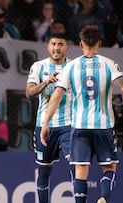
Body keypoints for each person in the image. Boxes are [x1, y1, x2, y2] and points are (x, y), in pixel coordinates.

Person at [40, 25, 123, 203]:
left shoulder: (71, 66)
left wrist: (45, 123)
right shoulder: (109, 64)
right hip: (103, 126)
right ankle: (103, 198)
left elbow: (57, 95)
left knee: (81, 172)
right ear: (100, 43)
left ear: (81, 44)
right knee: (109, 167)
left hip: (79, 127)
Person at [26, 33, 74, 203]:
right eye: (53, 43)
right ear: (48, 46)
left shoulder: (73, 67)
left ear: (67, 47)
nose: (56, 47)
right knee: (44, 171)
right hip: (44, 126)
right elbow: (29, 92)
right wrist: (46, 82)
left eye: (61, 44)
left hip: (69, 124)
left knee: (75, 165)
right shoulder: (38, 67)